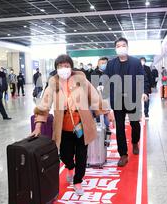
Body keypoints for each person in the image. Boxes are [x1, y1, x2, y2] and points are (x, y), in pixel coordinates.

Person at [31, 54, 111, 196]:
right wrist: (38, 126)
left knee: (81, 155)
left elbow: (94, 97)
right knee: (64, 155)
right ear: (56, 68)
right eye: (60, 66)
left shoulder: (81, 80)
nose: (64, 69)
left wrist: (106, 112)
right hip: (63, 127)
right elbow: (44, 105)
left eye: (66, 66)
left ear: (71, 67)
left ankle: (78, 180)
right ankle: (70, 166)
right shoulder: (53, 83)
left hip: (82, 125)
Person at [102, 37, 149, 167]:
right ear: (115, 48)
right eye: (118, 45)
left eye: (123, 45)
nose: (121, 47)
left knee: (135, 124)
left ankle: (135, 142)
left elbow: (143, 78)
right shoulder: (111, 64)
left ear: (127, 47)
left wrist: (145, 91)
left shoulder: (135, 62)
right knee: (120, 127)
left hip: (132, 98)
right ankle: (123, 154)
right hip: (117, 100)